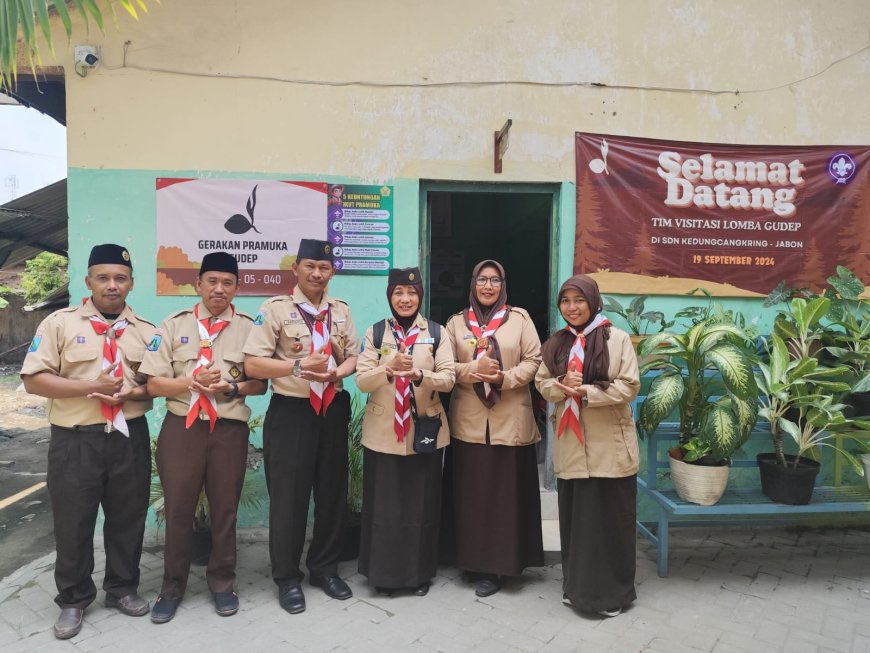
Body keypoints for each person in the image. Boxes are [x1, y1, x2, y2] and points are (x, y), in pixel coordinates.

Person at [20, 244, 158, 639]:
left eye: (120, 278)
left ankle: (121, 589)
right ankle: (74, 599)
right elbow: (33, 380)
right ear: (88, 282)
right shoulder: (59, 324)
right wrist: (90, 386)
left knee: (128, 518)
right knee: (73, 522)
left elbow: (153, 386)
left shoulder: (147, 331)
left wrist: (134, 393)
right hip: (75, 440)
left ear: (131, 283)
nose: (112, 285)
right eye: (103, 277)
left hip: (128, 438)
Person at [139, 252, 267, 623]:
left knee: (224, 508)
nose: (219, 289)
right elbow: (153, 382)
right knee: (178, 508)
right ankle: (172, 586)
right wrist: (189, 383)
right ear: (197, 284)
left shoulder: (248, 328)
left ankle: (223, 583)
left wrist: (230, 386)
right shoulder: (173, 324)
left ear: (237, 288)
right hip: (183, 427)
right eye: (211, 281)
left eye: (228, 282)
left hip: (228, 429)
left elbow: (259, 383)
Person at [243, 238, 360, 614]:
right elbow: (253, 365)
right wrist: (297, 367)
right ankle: (287, 578)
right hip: (292, 411)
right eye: (309, 266)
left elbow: (354, 355)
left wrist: (339, 371)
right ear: (295, 269)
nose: (316, 273)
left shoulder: (341, 310)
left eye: (324, 268)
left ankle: (324, 568)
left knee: (331, 493)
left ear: (332, 272)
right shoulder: (274, 309)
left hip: (332, 409)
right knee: (289, 499)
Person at [534, 274, 640, 617]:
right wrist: (561, 384)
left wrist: (587, 392)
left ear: (593, 301)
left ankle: (612, 595)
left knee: (610, 520)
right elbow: (541, 384)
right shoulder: (555, 344)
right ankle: (577, 589)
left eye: (579, 300)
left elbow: (629, 385)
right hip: (572, 445)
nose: (572, 307)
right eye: (565, 301)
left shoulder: (617, 339)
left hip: (609, 444)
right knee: (577, 521)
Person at [444, 259, 544, 597]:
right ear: (472, 284)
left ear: (503, 285)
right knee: (472, 495)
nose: (488, 286)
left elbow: (534, 360)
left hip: (510, 418)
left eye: (495, 280)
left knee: (505, 497)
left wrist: (505, 378)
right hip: (470, 421)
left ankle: (502, 566)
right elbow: (445, 367)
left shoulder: (520, 319)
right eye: (482, 280)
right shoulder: (456, 323)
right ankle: (472, 562)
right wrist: (473, 369)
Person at [355, 267, 455, 596]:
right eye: (398, 292)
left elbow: (449, 378)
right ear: (390, 296)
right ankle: (382, 575)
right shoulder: (376, 333)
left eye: (411, 293)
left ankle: (418, 575)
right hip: (383, 433)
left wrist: (418, 375)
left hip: (423, 432)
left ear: (420, 296)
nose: (405, 298)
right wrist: (387, 369)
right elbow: (361, 380)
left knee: (421, 506)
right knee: (384, 507)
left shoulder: (437, 332)